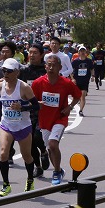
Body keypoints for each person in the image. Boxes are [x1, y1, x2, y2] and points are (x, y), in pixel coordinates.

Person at [0, 58, 39, 196]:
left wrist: (21, 107)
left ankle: (30, 180)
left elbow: (36, 106)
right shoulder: (0, 86)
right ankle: (6, 185)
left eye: (9, 71)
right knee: (3, 153)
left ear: (16, 72)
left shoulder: (24, 88)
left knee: (27, 156)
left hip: (23, 126)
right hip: (7, 125)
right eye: (3, 70)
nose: (5, 73)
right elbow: (1, 102)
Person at [32, 53, 81, 185]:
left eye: (54, 65)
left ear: (60, 67)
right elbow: (32, 99)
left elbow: (78, 95)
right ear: (45, 67)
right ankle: (59, 170)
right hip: (44, 120)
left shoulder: (66, 83)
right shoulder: (38, 83)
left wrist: (70, 107)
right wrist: (37, 104)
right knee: (50, 148)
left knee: (53, 144)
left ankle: (56, 171)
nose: (51, 67)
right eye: (49, 65)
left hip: (60, 118)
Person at [20, 43, 51, 177]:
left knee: (38, 137)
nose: (31, 55)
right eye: (30, 52)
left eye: (35, 53)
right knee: (29, 141)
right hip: (28, 109)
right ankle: (37, 166)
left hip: (43, 109)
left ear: (42, 55)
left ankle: (44, 151)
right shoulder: (24, 70)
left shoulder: (47, 70)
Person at [71, 45, 95, 116]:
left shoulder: (89, 61)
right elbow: (70, 70)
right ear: (78, 52)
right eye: (80, 51)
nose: (82, 52)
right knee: (76, 96)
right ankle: (72, 106)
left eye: (83, 51)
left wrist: (93, 76)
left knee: (83, 95)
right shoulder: (75, 61)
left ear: (86, 52)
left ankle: (81, 110)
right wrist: (72, 78)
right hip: (77, 81)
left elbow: (92, 69)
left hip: (85, 80)